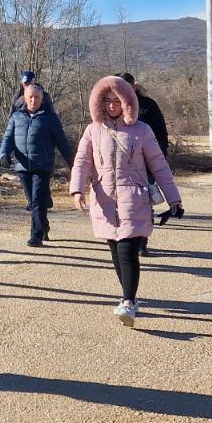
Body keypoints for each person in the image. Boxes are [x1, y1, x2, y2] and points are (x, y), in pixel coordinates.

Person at [69, 75, 181, 327]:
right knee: (115, 252)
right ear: (99, 102)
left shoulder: (142, 130)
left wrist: (173, 199)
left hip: (134, 198)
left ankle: (128, 301)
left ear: (127, 101)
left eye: (117, 100)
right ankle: (129, 296)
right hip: (105, 200)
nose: (112, 105)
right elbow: (82, 162)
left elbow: (159, 165)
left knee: (127, 250)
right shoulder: (93, 130)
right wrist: (77, 190)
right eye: (107, 100)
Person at [1, 82, 75, 247]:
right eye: (30, 97)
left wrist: (72, 162)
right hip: (22, 166)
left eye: (37, 97)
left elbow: (61, 141)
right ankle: (44, 226)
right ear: (25, 98)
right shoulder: (16, 116)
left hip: (42, 165)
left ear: (42, 99)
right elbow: (8, 137)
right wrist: (4, 154)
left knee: (37, 200)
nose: (33, 100)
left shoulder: (50, 118)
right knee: (32, 201)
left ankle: (36, 235)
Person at [117, 73, 170, 256]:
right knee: (122, 203)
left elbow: (161, 134)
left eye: (126, 85)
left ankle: (141, 241)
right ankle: (126, 238)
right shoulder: (112, 105)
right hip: (120, 164)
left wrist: (160, 158)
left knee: (144, 202)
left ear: (134, 86)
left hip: (146, 162)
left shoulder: (148, 105)